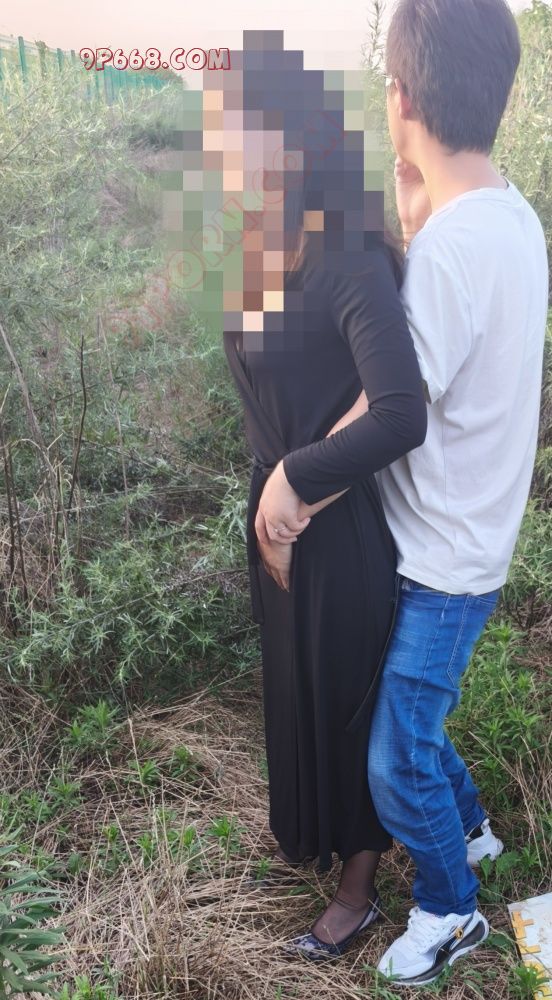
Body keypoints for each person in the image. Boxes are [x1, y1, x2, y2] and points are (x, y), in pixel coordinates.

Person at [261, 0, 549, 985]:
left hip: (440, 555)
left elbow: (395, 405)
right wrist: (417, 202)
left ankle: (449, 907)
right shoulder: (510, 217)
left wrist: (296, 483)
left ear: (402, 98)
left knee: (395, 753)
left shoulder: (451, 252)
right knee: (415, 713)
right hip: (476, 533)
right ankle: (470, 829)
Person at [202, 31, 427, 959]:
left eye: (237, 129)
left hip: (335, 523)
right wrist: (271, 498)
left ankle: (359, 889)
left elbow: (402, 411)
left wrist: (298, 482)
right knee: (295, 687)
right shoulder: (259, 246)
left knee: (344, 701)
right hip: (277, 507)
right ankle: (310, 836)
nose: (223, 151)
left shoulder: (348, 257)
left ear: (293, 139)